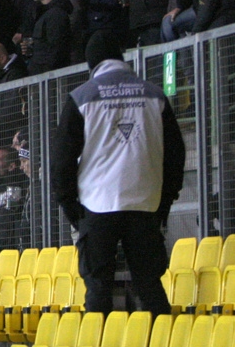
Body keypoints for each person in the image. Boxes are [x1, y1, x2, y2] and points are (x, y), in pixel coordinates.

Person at [52, 31, 185, 316]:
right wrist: (164, 202)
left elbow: (62, 160)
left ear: (92, 64)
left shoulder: (81, 98)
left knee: (98, 286)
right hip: (145, 204)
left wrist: (72, 209)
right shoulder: (155, 95)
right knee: (150, 284)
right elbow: (176, 154)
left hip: (97, 204)